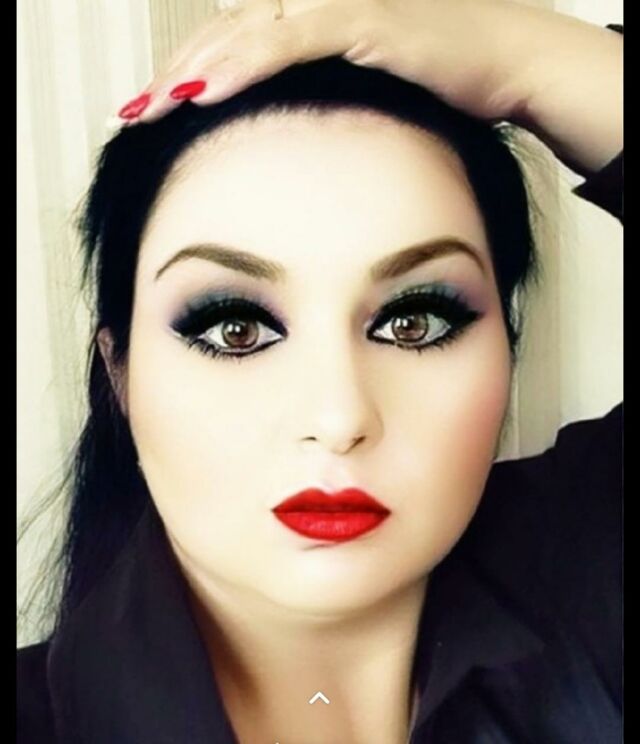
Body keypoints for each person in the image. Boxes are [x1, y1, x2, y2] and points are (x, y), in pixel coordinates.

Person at [17, 1, 622, 742]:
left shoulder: (592, 598)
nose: (338, 419)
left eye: (413, 322)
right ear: (120, 376)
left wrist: (526, 60)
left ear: (506, 348)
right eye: (236, 329)